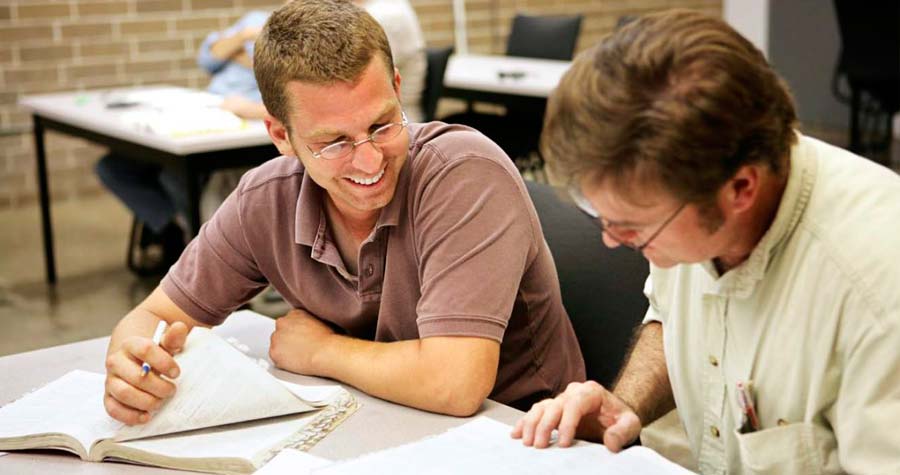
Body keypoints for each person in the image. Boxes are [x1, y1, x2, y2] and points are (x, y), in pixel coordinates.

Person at [102, 0, 585, 425]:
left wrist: (319, 351)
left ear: (397, 88)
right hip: (378, 422)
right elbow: (154, 317)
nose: (370, 161)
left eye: (381, 124)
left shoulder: (462, 174)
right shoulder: (265, 200)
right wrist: (132, 364)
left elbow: (454, 383)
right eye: (333, 142)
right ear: (280, 135)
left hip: (520, 437)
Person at [511, 9, 900, 474]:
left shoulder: (878, 294)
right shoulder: (686, 199)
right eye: (601, 216)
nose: (614, 242)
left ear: (741, 189)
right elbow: (670, 318)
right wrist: (625, 406)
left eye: (634, 226)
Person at [96, 2, 427, 273]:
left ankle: (193, 241)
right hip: (262, 121)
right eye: (333, 142)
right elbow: (211, 56)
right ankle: (193, 244)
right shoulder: (269, 21)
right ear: (280, 135)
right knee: (123, 167)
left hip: (367, 122)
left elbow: (336, 80)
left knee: (194, 179)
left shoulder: (382, 17)